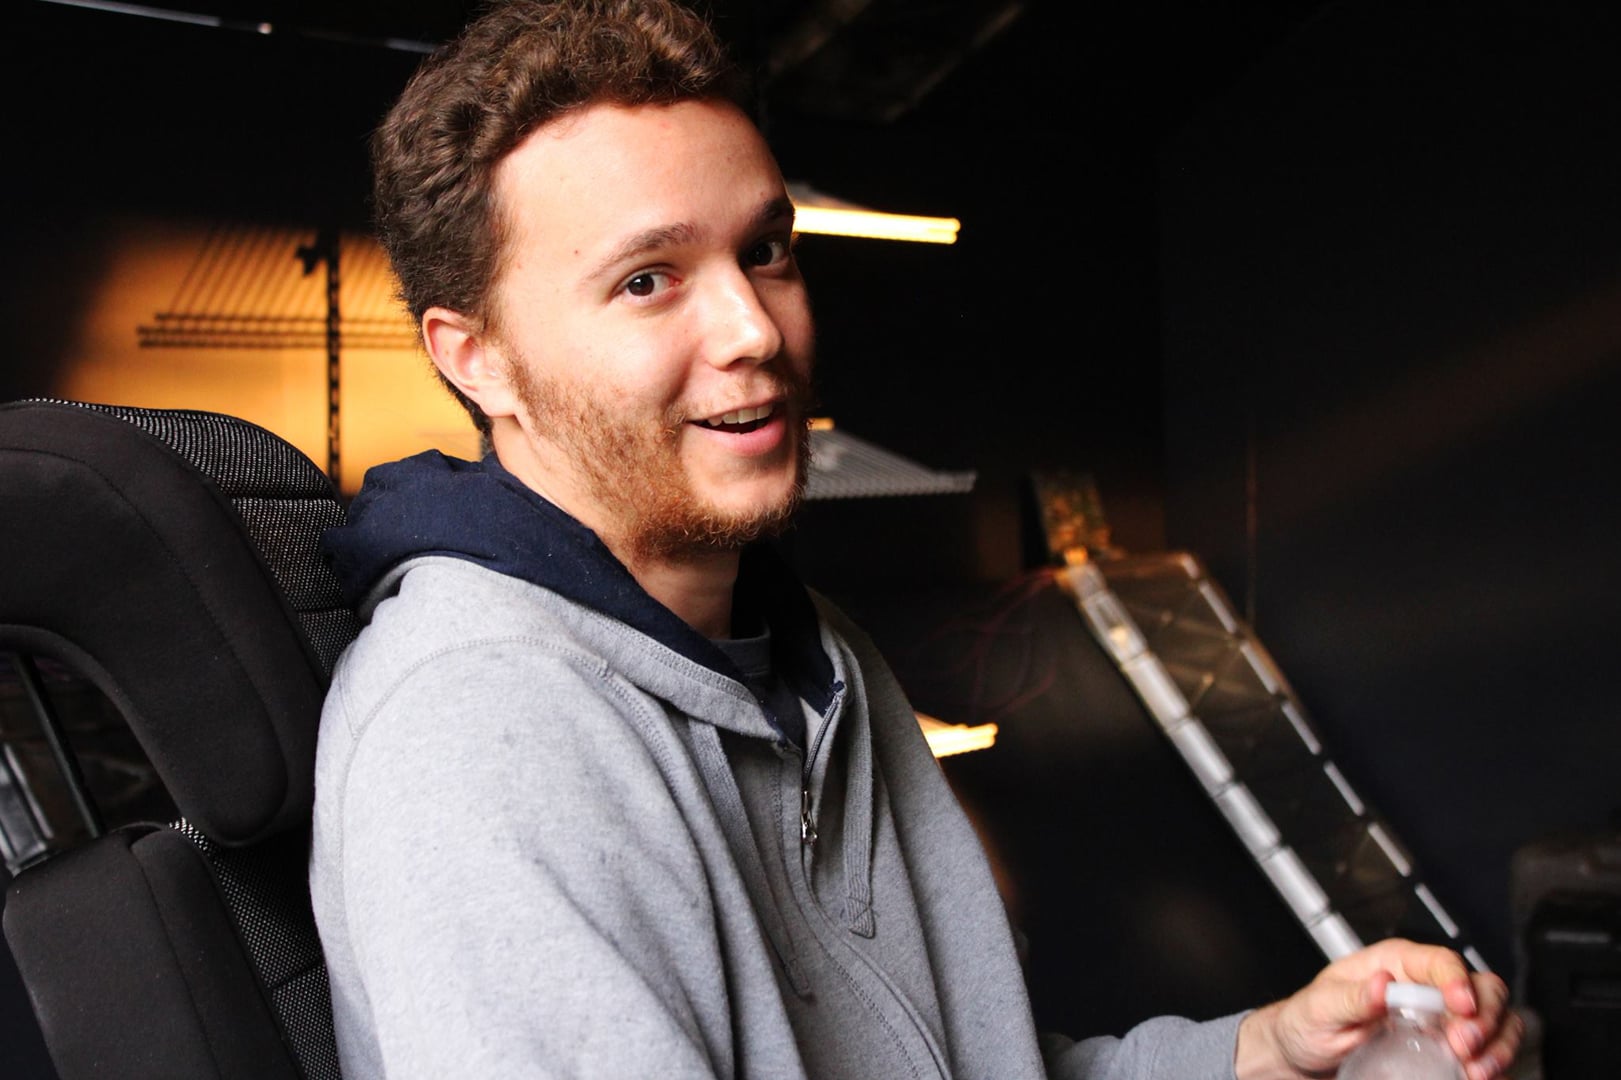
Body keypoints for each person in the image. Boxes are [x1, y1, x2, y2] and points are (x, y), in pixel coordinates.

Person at [307, 1, 1523, 1077]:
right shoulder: (486, 733)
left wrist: (1261, 1057)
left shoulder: (811, 652)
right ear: (477, 359)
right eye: (646, 281)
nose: (753, 328)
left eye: (764, 251)